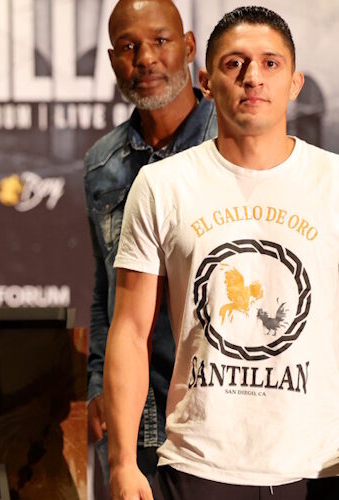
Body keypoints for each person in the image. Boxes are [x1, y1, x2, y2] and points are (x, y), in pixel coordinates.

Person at [104, 5, 339, 499]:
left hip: (317, 465)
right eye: (235, 63)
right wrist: (123, 462)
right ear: (207, 82)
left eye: (270, 63)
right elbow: (129, 331)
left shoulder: (333, 183)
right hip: (199, 464)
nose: (253, 77)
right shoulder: (162, 185)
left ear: (295, 83)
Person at [84, 0, 216, 492]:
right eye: (128, 47)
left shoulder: (231, 145)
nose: (145, 58)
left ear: (189, 46)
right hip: (134, 417)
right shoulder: (103, 163)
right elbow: (106, 289)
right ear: (112, 60)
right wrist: (98, 383)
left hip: (217, 408)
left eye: (160, 41)